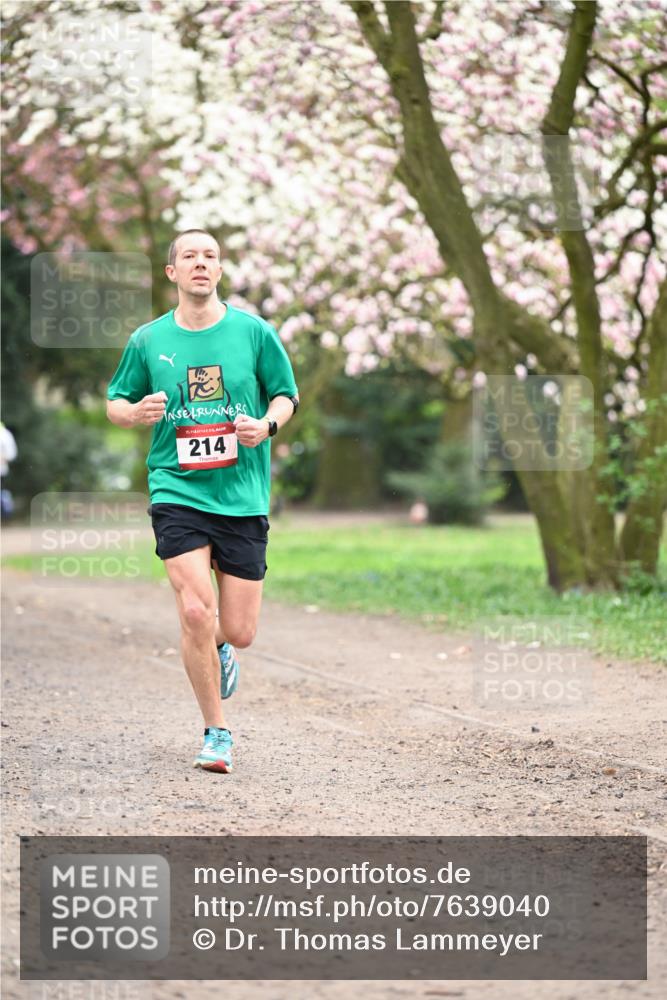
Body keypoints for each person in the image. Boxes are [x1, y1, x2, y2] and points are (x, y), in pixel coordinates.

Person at [106, 229, 299, 774]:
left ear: (219, 270)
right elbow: (115, 402)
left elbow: (286, 394)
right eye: (189, 255)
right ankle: (217, 733)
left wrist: (266, 425)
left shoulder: (254, 333)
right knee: (195, 609)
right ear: (172, 272)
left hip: (241, 495)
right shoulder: (148, 339)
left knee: (239, 630)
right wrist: (134, 412)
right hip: (177, 487)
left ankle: (219, 644)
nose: (200, 263)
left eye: (209, 256)